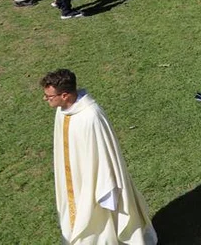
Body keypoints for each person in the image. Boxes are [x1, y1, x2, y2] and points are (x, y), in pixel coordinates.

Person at [40, 69, 157, 245]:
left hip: (95, 182)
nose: (46, 99)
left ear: (64, 95)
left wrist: (105, 189)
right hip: (74, 178)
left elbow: (104, 156)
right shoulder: (62, 111)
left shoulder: (90, 117)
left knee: (99, 222)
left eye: (49, 96)